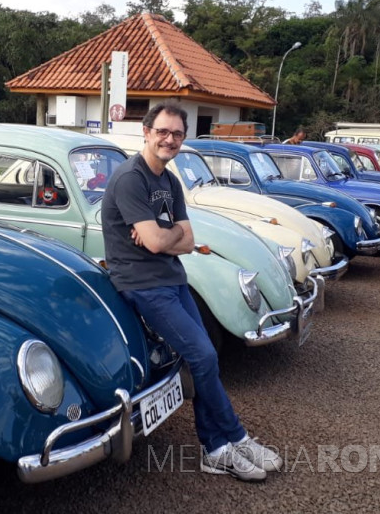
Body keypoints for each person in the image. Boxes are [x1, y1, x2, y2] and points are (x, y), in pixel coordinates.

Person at [102, 101, 281, 481]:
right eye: (163, 132)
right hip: (142, 284)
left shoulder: (168, 180)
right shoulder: (131, 178)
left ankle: (216, 448)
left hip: (172, 278)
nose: (169, 139)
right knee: (202, 356)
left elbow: (186, 240)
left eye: (177, 134)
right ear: (146, 133)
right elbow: (154, 242)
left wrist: (163, 237)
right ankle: (233, 439)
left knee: (206, 357)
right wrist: (164, 237)